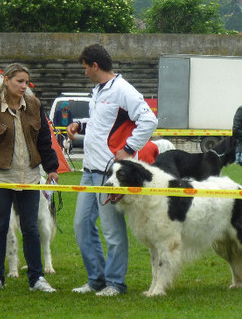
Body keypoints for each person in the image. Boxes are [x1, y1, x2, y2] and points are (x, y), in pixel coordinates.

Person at [67, 44, 157, 296]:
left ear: (95, 66)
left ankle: (116, 283)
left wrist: (129, 148)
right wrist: (79, 125)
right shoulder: (98, 90)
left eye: (85, 67)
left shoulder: (123, 90)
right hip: (89, 169)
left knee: (112, 232)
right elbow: (102, 124)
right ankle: (96, 280)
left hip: (111, 175)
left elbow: (149, 120)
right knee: (81, 226)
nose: (84, 72)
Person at [0, 63, 59, 293]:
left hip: (30, 176)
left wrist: (51, 167)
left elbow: (44, 140)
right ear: (7, 80)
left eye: (26, 82)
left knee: (30, 227)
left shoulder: (35, 105)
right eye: (19, 81)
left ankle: (37, 278)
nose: (24, 86)